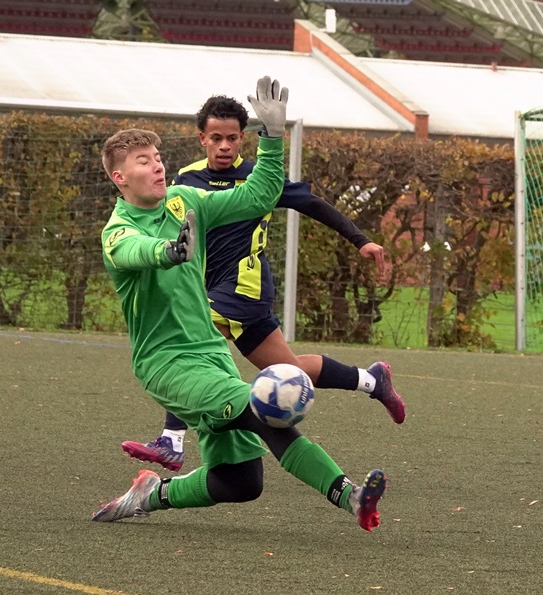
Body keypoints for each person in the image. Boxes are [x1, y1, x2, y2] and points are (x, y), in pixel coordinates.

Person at [93, 76, 386, 532]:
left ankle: (152, 494)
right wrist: (169, 251)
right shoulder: (117, 231)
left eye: (158, 158)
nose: (157, 167)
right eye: (143, 161)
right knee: (261, 407)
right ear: (120, 178)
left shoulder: (184, 200)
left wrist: (272, 138)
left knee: (240, 481)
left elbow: (257, 196)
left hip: (211, 355)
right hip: (167, 364)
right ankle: (350, 496)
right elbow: (135, 250)